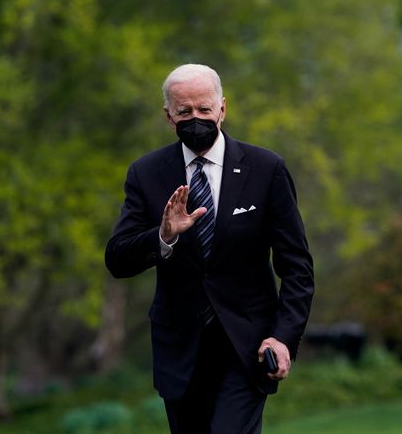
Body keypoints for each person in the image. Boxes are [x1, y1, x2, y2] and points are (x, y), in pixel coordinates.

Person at [105, 64, 314, 433]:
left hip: (247, 345)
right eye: (184, 112)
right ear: (169, 117)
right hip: (180, 348)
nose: (196, 118)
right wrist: (163, 236)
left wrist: (283, 336)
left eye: (204, 109)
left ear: (222, 109)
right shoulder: (146, 173)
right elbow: (118, 259)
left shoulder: (265, 169)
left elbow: (296, 266)